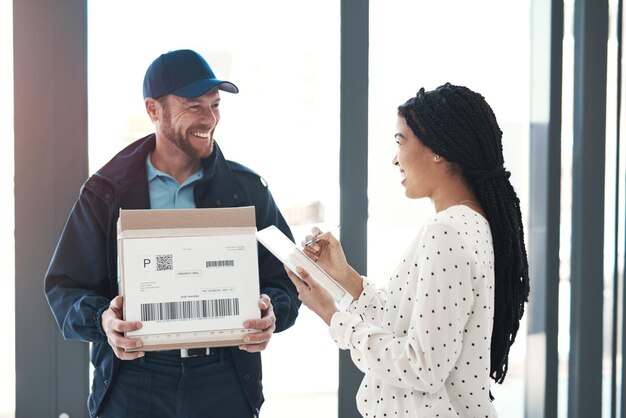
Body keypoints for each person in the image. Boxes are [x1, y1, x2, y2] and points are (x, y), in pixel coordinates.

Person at [44, 49, 300, 418]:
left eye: (214, 105)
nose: (209, 118)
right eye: (193, 106)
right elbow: (64, 287)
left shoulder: (246, 191)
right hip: (134, 380)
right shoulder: (106, 193)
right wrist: (103, 319)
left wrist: (272, 311)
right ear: (153, 110)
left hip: (223, 380)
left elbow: (287, 280)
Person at [286, 83, 529, 417]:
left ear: (438, 150)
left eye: (400, 141)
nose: (395, 158)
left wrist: (332, 315)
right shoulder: (471, 223)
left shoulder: (446, 232)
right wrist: (345, 276)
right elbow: (413, 329)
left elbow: (421, 367)